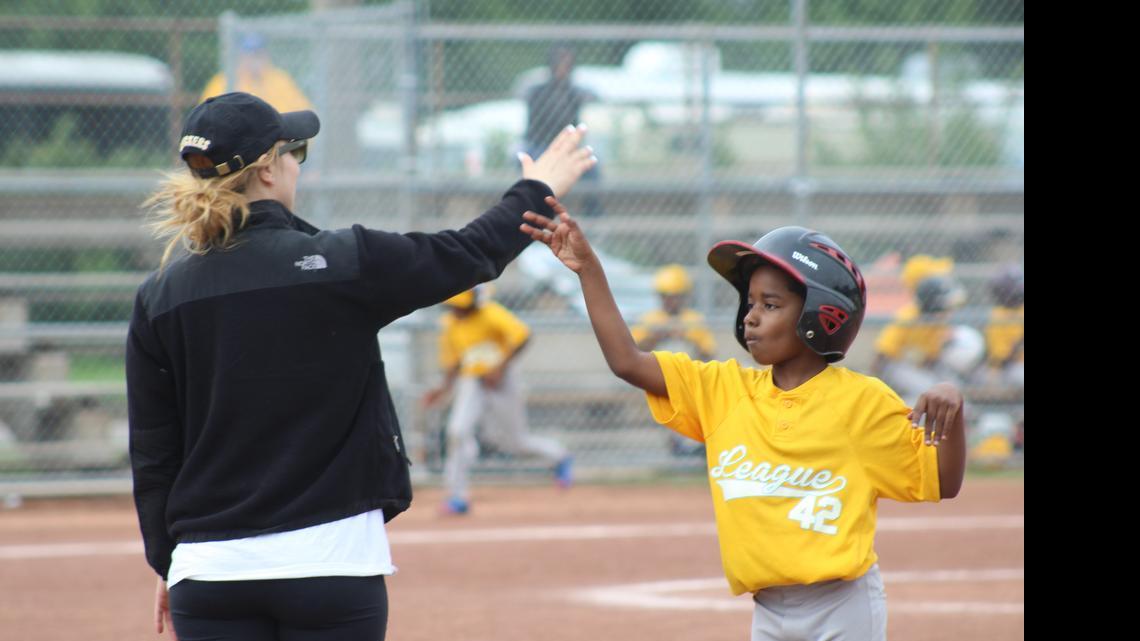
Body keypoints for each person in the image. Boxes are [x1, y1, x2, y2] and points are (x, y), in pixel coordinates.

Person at [127, 91, 595, 640]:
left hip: (208, 574)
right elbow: (470, 252)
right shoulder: (341, 262)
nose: (296, 161)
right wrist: (536, 192)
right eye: (292, 150)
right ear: (269, 172)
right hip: (332, 560)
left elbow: (155, 454)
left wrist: (171, 561)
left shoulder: (159, 296)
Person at [520, 201, 966, 641]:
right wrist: (589, 271)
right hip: (768, 611)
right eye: (750, 302)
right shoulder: (723, 391)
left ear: (821, 316)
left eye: (770, 304)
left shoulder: (862, 402)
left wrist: (953, 407)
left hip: (842, 606)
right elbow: (627, 362)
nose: (750, 315)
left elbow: (942, 482)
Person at [421, 287, 572, 515]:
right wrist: (442, 389)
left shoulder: (490, 312)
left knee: (515, 443)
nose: (457, 311)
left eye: (462, 306)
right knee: (457, 432)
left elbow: (523, 336)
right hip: (472, 380)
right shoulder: (450, 323)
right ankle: (457, 497)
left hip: (503, 379)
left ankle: (559, 456)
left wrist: (500, 367)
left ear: (474, 302)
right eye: (453, 306)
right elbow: (453, 363)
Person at [631, 264, 716, 456]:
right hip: (656, 378)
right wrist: (660, 334)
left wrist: (686, 336)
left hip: (688, 380)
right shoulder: (651, 319)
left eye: (675, 296)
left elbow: (708, 354)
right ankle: (679, 447)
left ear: (684, 296)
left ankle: (688, 447)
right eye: (665, 296)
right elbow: (633, 352)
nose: (670, 301)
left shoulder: (693, 319)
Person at [870, 260, 969, 404]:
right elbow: (883, 354)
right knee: (925, 386)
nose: (948, 311)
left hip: (919, 364)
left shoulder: (938, 321)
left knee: (952, 385)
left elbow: (931, 357)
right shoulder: (907, 318)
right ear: (933, 304)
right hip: (896, 365)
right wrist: (875, 384)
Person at [524, 45, 602, 217]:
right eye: (560, 63)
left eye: (567, 64)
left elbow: (596, 96)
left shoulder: (573, 92)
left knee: (592, 165)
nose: (563, 68)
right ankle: (530, 211)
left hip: (567, 147)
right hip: (540, 145)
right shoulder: (539, 91)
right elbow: (535, 127)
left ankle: (594, 216)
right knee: (526, 157)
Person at [200, 32, 313, 113]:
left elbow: (303, 112)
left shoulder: (281, 80)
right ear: (240, 56)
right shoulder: (222, 81)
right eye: (249, 54)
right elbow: (205, 118)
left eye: (258, 54)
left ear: (265, 54)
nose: (254, 59)